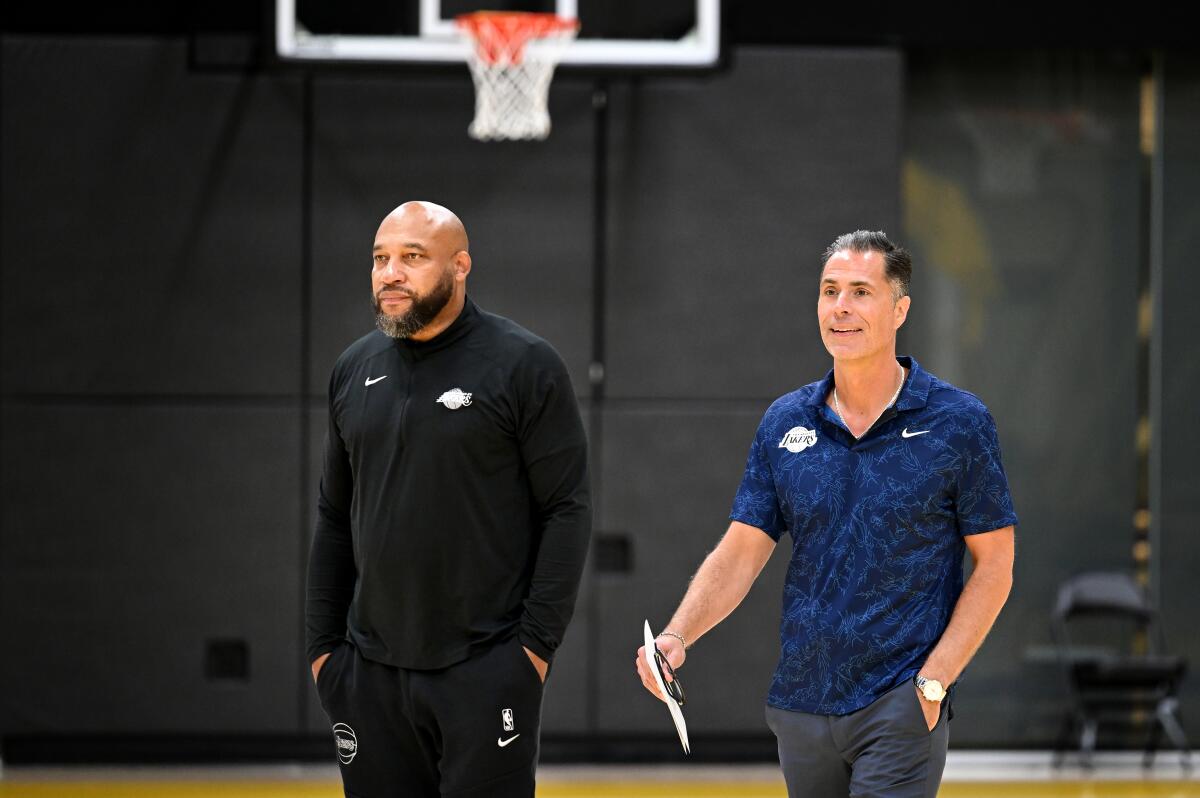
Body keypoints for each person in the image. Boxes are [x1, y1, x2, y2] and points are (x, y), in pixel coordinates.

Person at [636, 230, 1017, 797]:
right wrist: (677, 636)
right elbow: (741, 550)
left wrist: (934, 683)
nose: (841, 307)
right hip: (800, 708)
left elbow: (995, 566)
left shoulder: (958, 423)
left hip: (899, 703)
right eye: (829, 290)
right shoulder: (785, 421)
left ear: (900, 309)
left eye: (861, 291)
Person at [307, 201, 591, 798]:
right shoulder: (353, 369)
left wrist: (531, 653)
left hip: (486, 669)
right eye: (381, 258)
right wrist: (324, 654)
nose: (391, 273)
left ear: (460, 266)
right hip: (368, 675)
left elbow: (566, 509)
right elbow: (334, 516)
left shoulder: (524, 365)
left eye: (413, 257)